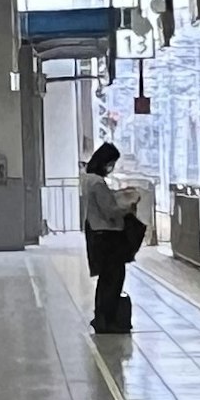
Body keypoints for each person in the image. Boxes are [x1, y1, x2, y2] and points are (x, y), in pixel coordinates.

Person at [79, 143, 143, 335]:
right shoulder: (98, 183)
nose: (112, 167)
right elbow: (110, 211)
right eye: (111, 163)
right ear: (104, 162)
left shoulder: (87, 180)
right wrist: (129, 206)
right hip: (108, 236)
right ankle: (107, 321)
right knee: (113, 279)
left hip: (97, 233)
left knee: (105, 280)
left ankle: (102, 318)